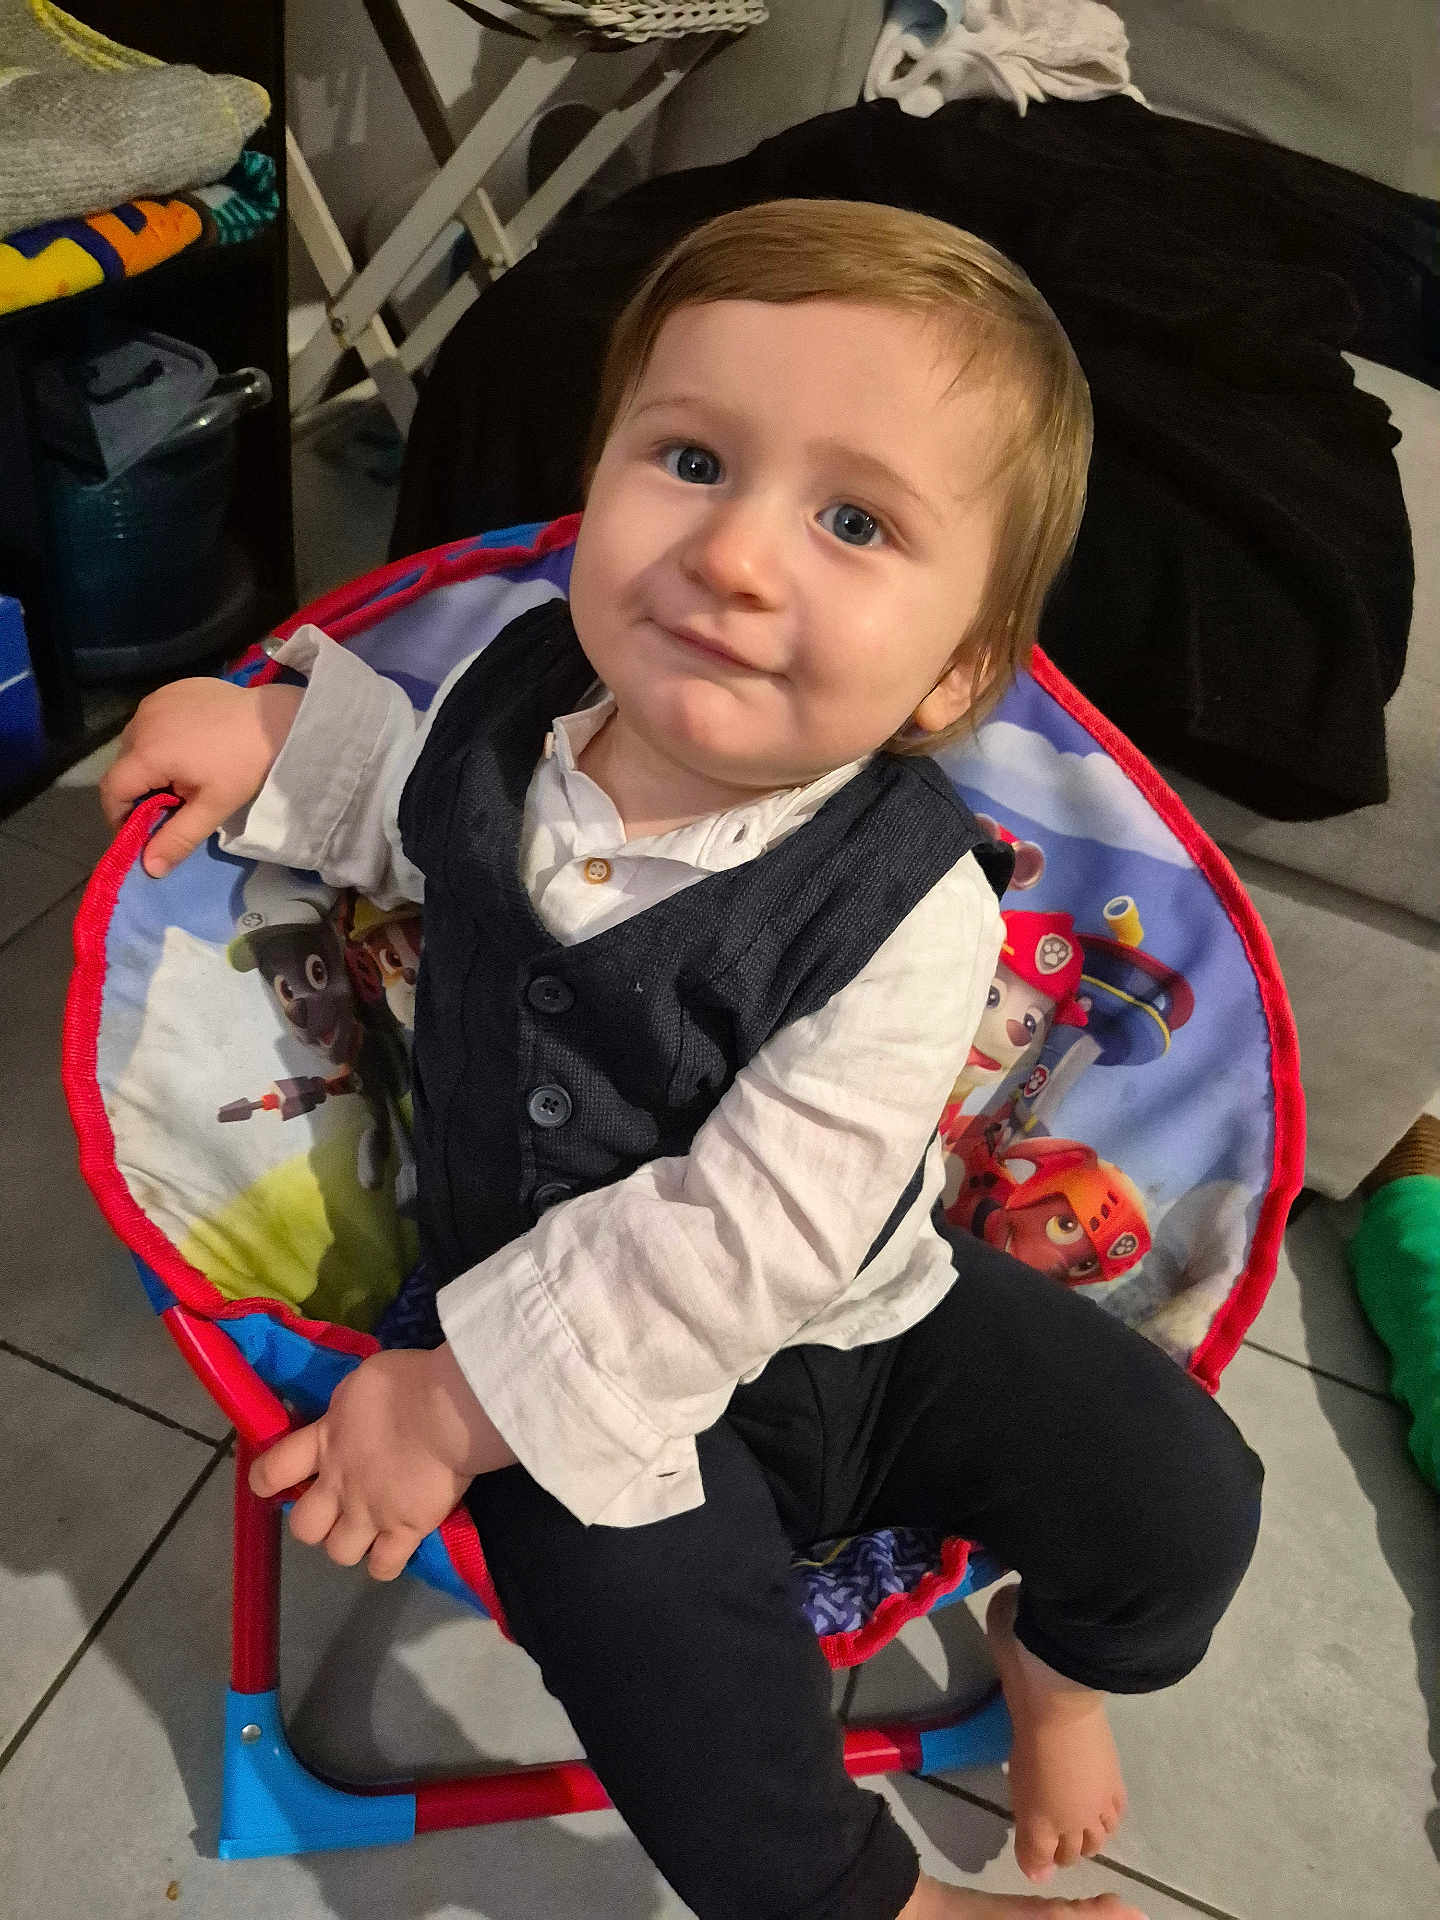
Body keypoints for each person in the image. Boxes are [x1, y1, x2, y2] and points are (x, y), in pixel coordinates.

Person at [100, 200, 1261, 1920]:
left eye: (853, 519)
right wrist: (284, 737)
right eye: (694, 459)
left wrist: (450, 1400)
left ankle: (1059, 1660)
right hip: (563, 1341)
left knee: (1182, 1490)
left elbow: (753, 1234)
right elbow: (432, 818)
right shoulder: (528, 690)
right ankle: (869, 1903)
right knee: (645, 1644)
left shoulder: (916, 910)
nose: (734, 557)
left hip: (861, 1318)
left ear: (954, 672)